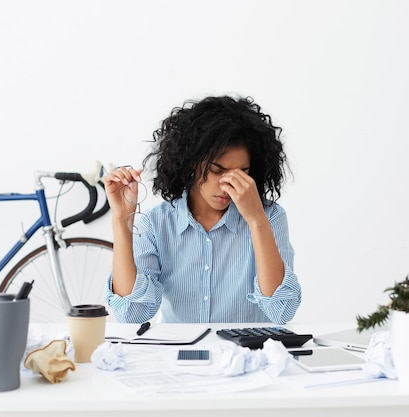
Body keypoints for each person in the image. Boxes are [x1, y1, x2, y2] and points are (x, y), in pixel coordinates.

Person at [103, 95, 301, 324]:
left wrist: (256, 220)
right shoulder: (158, 224)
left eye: (242, 173)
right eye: (217, 170)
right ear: (191, 163)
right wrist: (121, 219)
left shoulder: (270, 218)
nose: (228, 184)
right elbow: (132, 314)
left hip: (248, 357)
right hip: (180, 357)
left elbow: (281, 312)